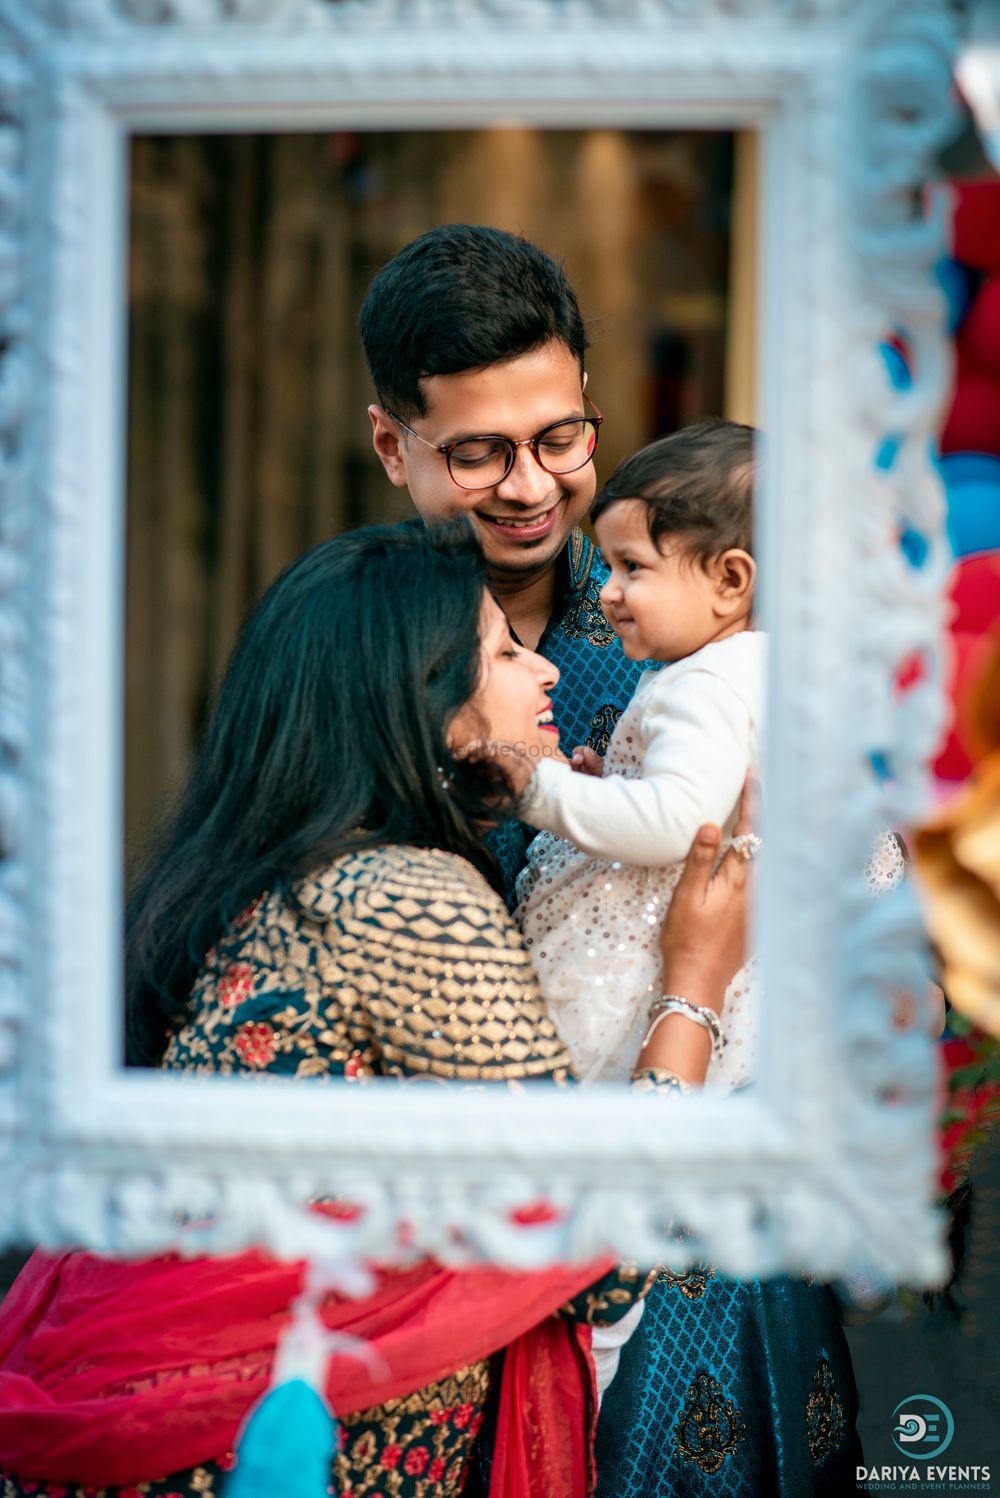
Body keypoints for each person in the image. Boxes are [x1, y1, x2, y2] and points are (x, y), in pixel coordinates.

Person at [0, 521, 750, 1498]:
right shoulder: (407, 899)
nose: (547, 674)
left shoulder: (257, 879)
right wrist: (692, 987)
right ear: (427, 703)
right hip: (275, 1447)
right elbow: (585, 1243)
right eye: (504, 652)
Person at [359, 223, 659, 905]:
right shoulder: (339, 651)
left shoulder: (694, 630)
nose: (529, 487)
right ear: (390, 444)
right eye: (477, 453)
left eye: (559, 438)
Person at [513, 420, 763, 1088]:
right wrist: (617, 781)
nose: (607, 590)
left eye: (633, 567)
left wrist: (541, 790)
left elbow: (680, 822)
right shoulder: (741, 671)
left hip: (651, 958)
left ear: (730, 581)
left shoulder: (708, 683)